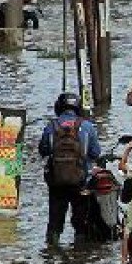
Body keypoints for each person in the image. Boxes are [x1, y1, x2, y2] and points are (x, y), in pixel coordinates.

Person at [39, 92, 101, 245]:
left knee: (55, 220)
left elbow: (43, 150)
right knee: (81, 221)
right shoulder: (87, 126)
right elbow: (95, 153)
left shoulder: (51, 126)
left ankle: (52, 249)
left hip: (56, 181)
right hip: (80, 180)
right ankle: (79, 250)